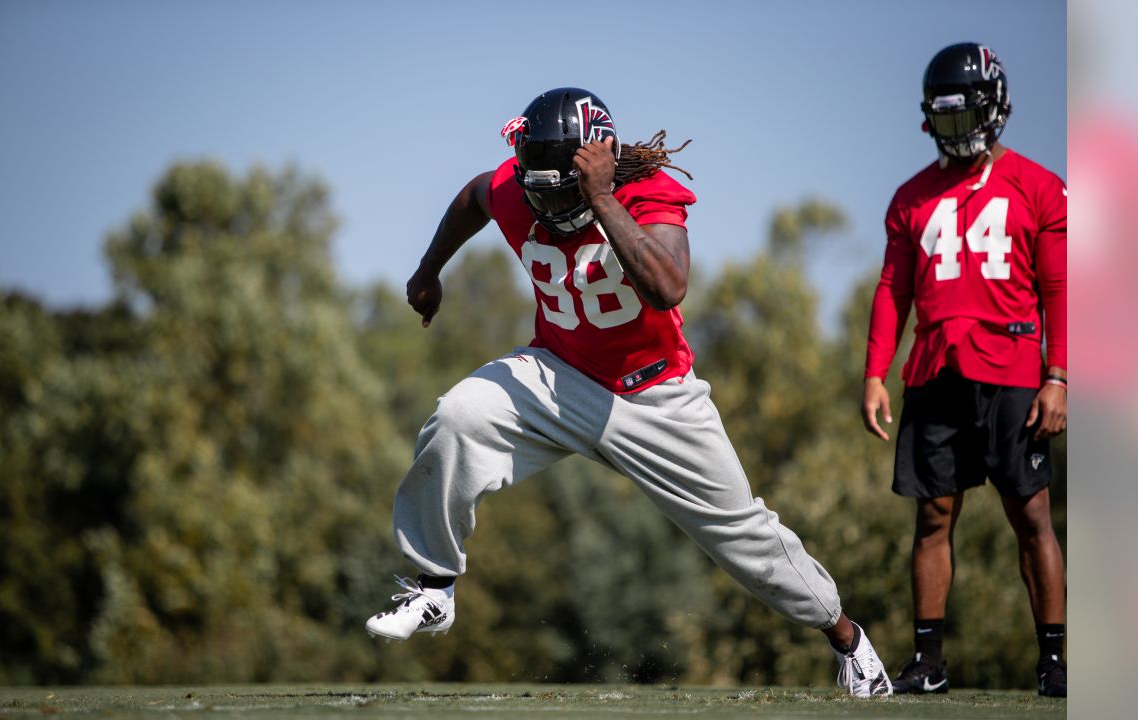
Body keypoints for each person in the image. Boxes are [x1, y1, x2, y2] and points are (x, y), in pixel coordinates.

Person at [364, 87, 891, 697]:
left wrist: (602, 197)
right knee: (458, 415)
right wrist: (430, 270)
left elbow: (668, 287)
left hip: (655, 396)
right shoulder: (520, 185)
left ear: (599, 160)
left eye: (566, 187)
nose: (551, 201)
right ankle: (434, 586)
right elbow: (475, 195)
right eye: (543, 188)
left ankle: (849, 641)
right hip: (558, 374)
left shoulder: (647, 191)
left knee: (745, 537)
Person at [860, 44, 1067, 697]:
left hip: (1010, 367)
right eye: (943, 119)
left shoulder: (1038, 186)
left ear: (995, 107)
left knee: (1031, 516)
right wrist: (873, 372)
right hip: (934, 370)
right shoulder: (910, 197)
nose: (955, 132)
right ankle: (929, 663)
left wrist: (1058, 376)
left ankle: (1056, 663)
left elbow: (1062, 287)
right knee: (931, 518)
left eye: (964, 116)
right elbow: (892, 289)